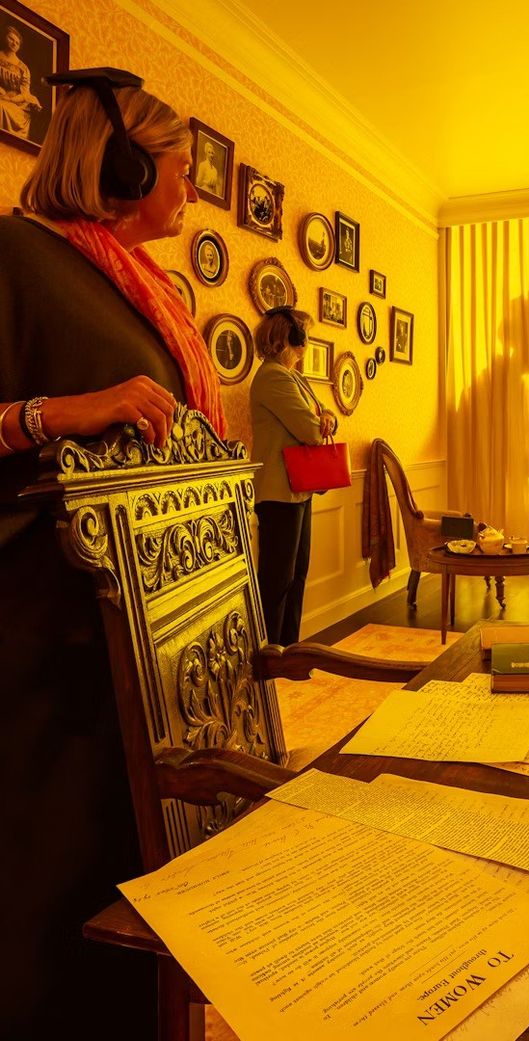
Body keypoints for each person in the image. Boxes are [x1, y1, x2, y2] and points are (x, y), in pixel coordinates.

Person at [0, 68, 225, 1038]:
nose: (191, 189)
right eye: (180, 166)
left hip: (143, 638)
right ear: (125, 167)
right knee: (52, 885)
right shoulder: (16, 253)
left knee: (134, 868)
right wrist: (58, 412)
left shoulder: (144, 288)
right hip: (43, 638)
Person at [250, 306, 333, 646]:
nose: (307, 342)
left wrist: (327, 417)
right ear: (292, 338)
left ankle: (290, 651)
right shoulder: (274, 377)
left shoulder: (294, 377)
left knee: (297, 575)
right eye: (305, 335)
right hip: (278, 492)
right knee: (277, 581)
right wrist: (320, 422)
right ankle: (271, 655)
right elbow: (311, 431)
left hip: (298, 488)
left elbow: (323, 415)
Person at [0, 24, 41, 140]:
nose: (14, 43)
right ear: (5, 38)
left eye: (17, 43)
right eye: (11, 39)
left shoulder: (23, 68)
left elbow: (25, 93)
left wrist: (11, 99)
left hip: (16, 101)